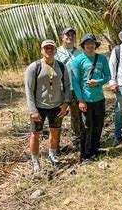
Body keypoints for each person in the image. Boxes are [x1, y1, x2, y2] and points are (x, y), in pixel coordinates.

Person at [25, 40, 70, 173]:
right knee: (35, 134)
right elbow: (28, 90)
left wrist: (66, 102)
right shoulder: (34, 67)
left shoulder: (61, 66)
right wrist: (33, 110)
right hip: (39, 107)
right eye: (46, 48)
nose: (49, 50)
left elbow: (67, 85)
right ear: (42, 50)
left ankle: (52, 155)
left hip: (57, 105)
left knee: (55, 131)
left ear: (55, 50)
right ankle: (35, 161)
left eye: (52, 48)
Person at [71, 34, 111, 164]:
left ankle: (95, 150)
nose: (90, 46)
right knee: (86, 127)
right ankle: (85, 155)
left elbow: (108, 76)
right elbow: (75, 82)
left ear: (95, 45)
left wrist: (98, 82)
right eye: (87, 43)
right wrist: (80, 100)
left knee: (98, 125)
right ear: (83, 45)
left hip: (99, 98)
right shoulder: (77, 61)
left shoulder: (102, 59)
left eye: (92, 43)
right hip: (86, 100)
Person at [55, 28, 82, 145]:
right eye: (67, 35)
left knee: (76, 116)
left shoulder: (79, 54)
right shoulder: (56, 52)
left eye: (72, 35)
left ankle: (77, 140)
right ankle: (55, 145)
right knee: (58, 117)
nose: (70, 37)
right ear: (62, 37)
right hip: (61, 90)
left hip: (76, 90)